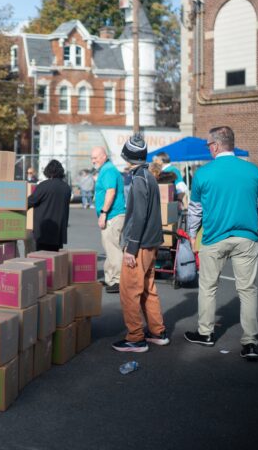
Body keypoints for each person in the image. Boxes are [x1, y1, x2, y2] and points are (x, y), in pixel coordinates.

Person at [185, 126, 258, 361]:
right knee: (247, 290)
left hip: (214, 237)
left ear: (215, 145)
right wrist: (253, 227)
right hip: (246, 236)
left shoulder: (203, 174)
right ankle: (250, 342)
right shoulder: (253, 171)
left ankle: (206, 333)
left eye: (209, 145)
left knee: (208, 287)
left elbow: (195, 211)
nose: (209, 149)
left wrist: (192, 235)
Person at [111, 134, 169, 353]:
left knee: (129, 291)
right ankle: (157, 332)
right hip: (151, 242)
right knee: (148, 289)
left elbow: (139, 216)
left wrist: (131, 248)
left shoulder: (138, 179)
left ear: (128, 156)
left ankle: (135, 338)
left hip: (141, 244)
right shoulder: (148, 176)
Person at [91, 146, 126, 294]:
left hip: (113, 214)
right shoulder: (106, 169)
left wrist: (104, 212)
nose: (93, 161)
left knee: (113, 248)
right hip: (111, 215)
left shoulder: (109, 170)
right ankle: (110, 278)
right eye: (92, 158)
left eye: (96, 157)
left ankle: (118, 280)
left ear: (104, 156)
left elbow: (111, 192)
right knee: (109, 247)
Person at [27, 159, 71, 252]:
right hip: (58, 230)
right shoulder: (66, 187)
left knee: (42, 257)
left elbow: (30, 202)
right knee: (54, 258)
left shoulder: (44, 185)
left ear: (48, 171)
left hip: (43, 229)